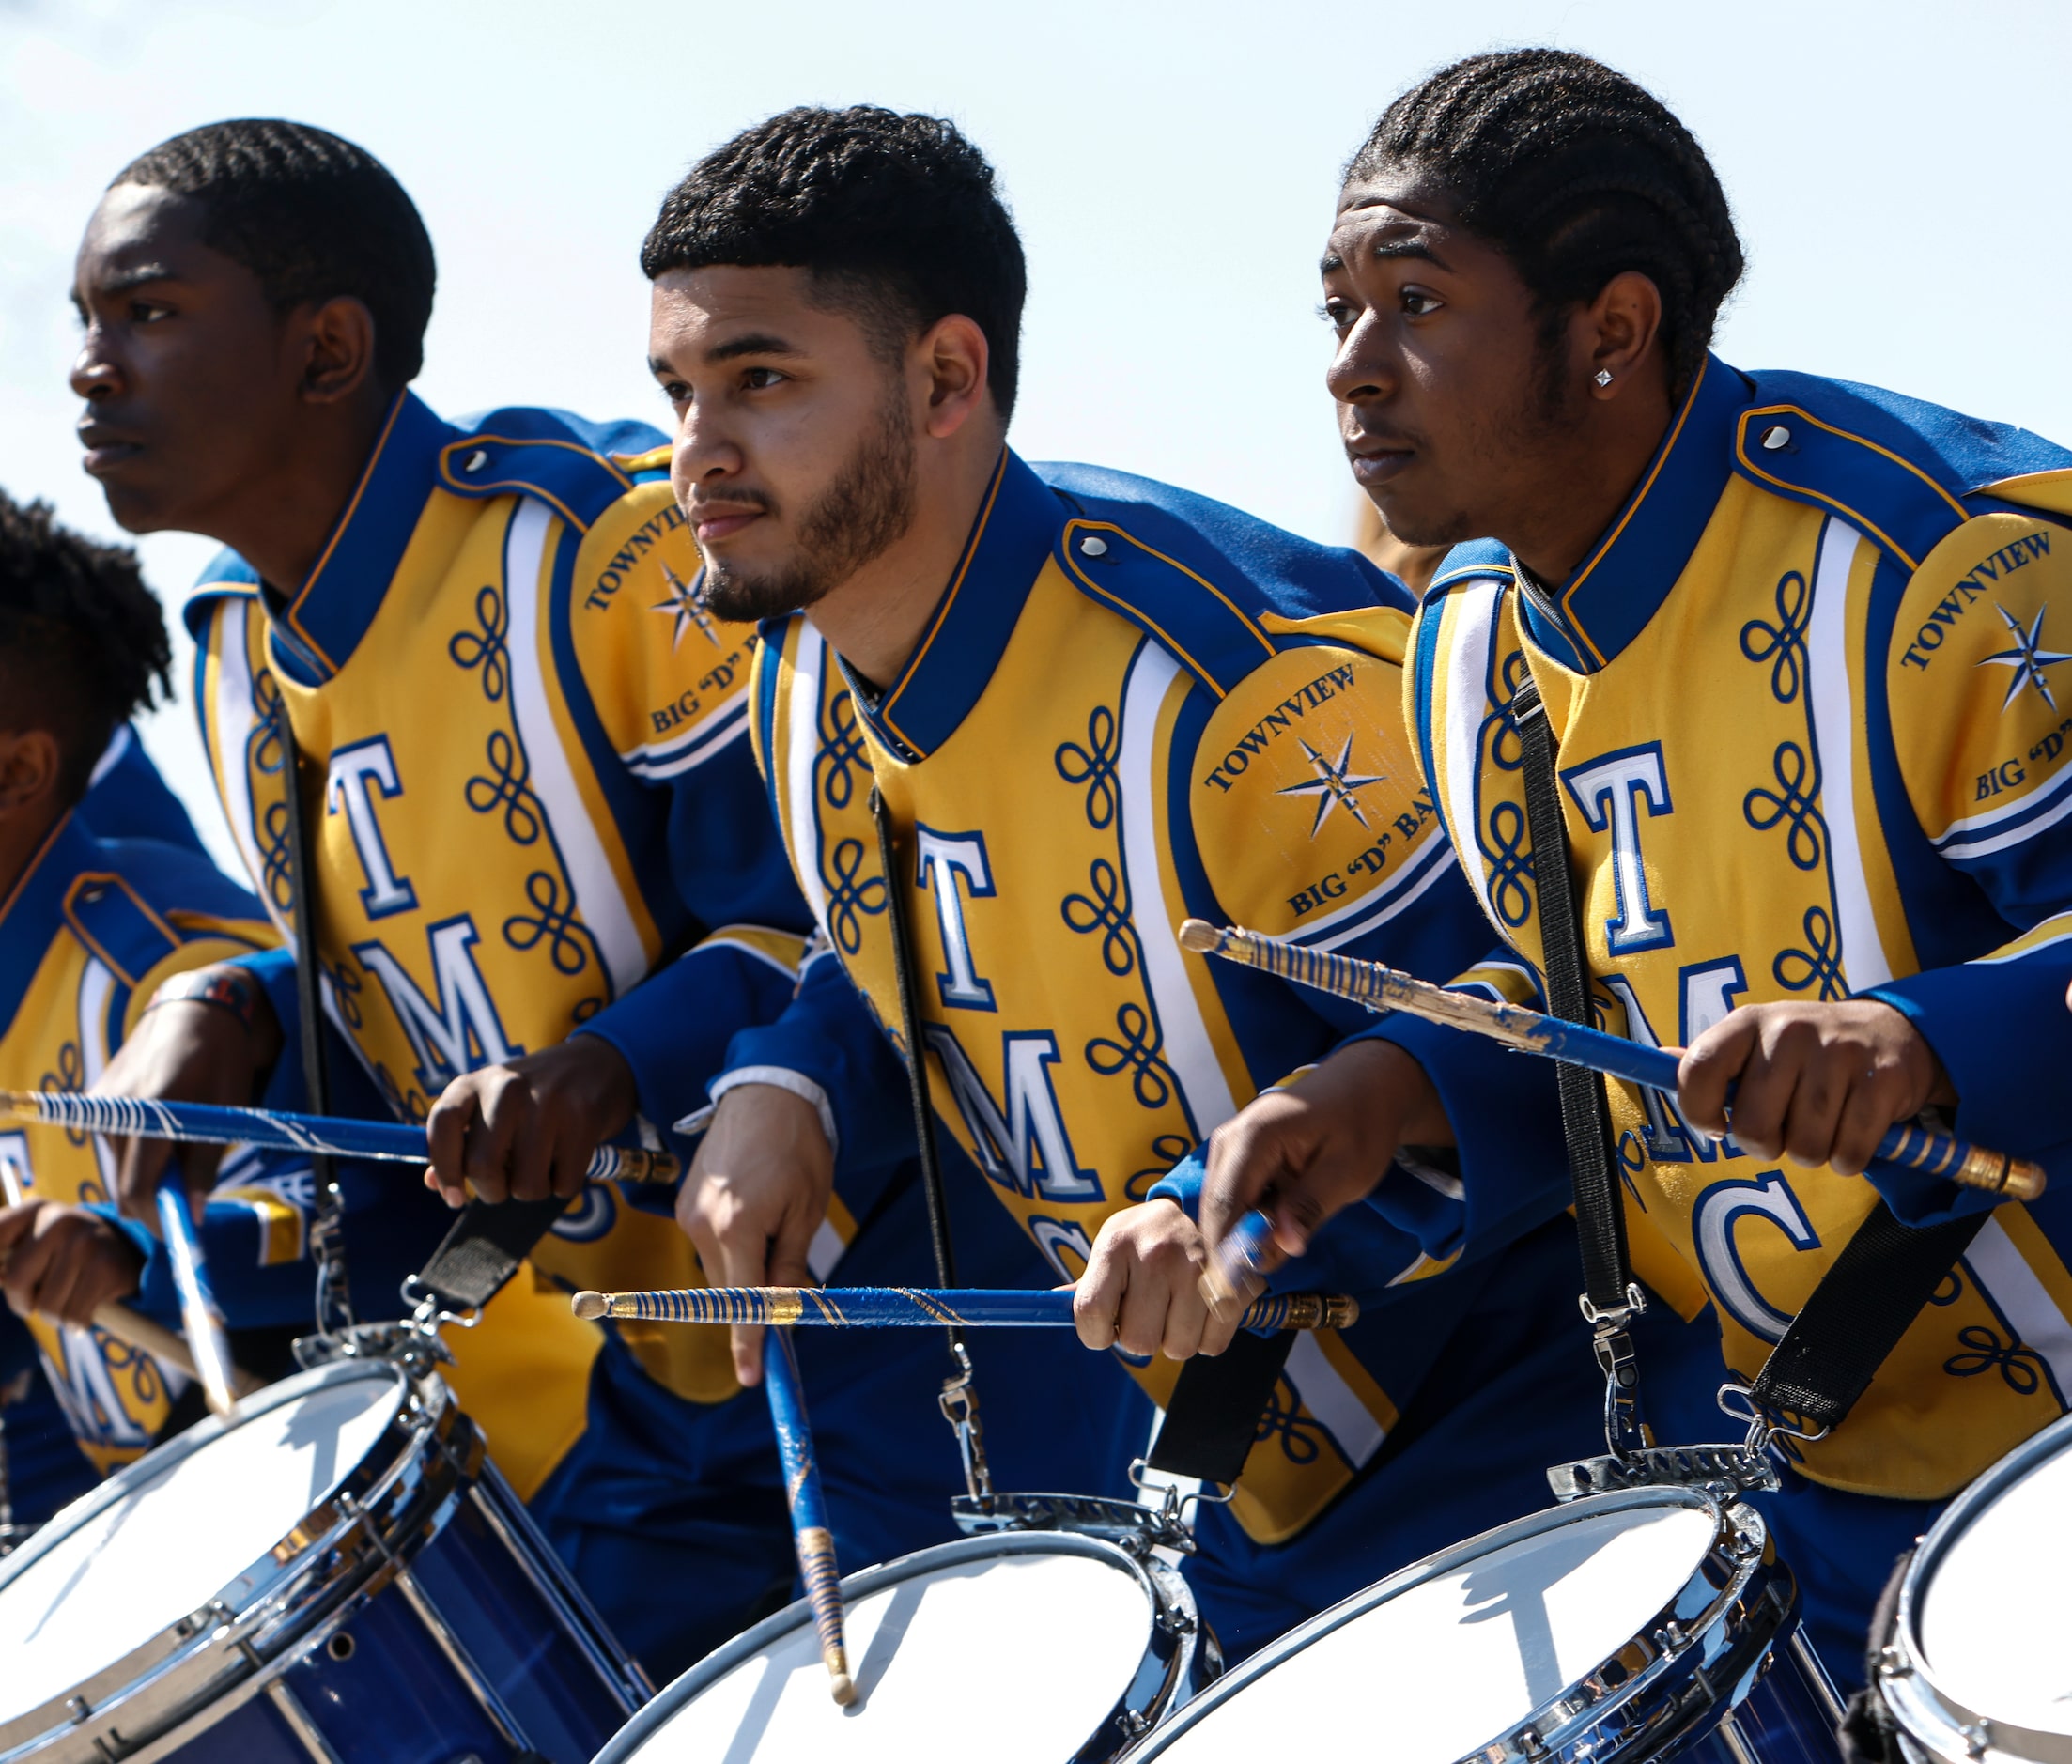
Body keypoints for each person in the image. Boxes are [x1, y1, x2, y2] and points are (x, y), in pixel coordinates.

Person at [69, 118, 1138, 1677]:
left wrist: (608, 1066)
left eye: (148, 312)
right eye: (85, 320)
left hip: (915, 1315)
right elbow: (394, 1070)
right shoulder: (232, 637)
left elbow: (834, 918)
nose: (92, 366)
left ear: (328, 349)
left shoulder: (608, 547)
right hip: (654, 1369)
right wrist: (221, 1030)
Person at [652, 104, 1610, 1662]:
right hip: (1219, 1521)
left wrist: (1209, 1213)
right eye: (678, 390)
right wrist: (799, 1080)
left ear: (948, 377)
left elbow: (1533, 1036)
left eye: (759, 381)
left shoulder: (1235, 687)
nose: (697, 452)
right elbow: (921, 946)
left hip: (1512, 1492)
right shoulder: (794, 673)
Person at [1202, 47, 2072, 1684]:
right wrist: (1384, 1092)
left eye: (1416, 302)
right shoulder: (1459, 648)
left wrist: (1924, 1039)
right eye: (1338, 315)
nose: (1352, 371)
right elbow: (1574, 1009)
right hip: (1781, 1511)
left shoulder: (1947, 560)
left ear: (1611, 331)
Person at [0, 488, 279, 1504]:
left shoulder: (171, 968)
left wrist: (136, 1257)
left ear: (19, 769)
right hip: (176, 1534)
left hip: (479, 1513)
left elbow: (351, 1229)